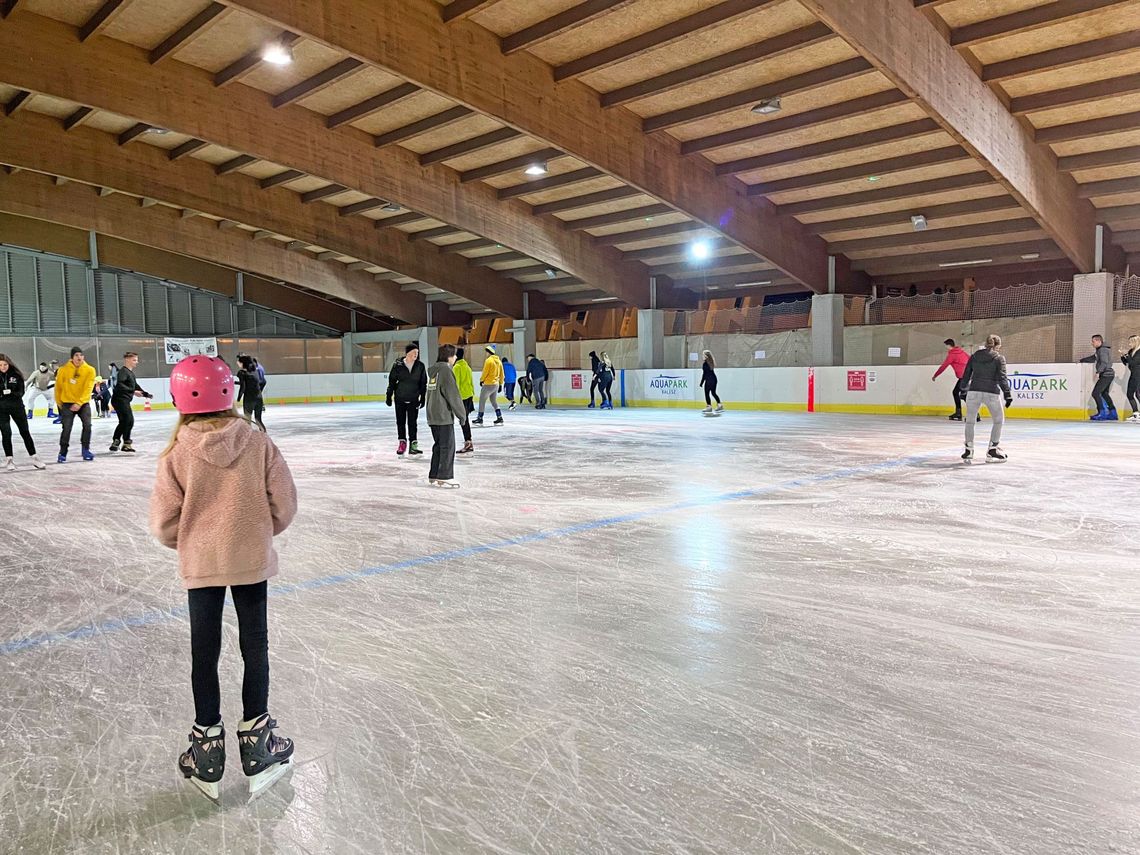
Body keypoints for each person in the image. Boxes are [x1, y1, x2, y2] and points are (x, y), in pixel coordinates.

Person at [150, 355, 297, 802]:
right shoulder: (257, 442)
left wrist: (194, 540)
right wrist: (256, 531)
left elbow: (162, 523)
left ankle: (207, 752)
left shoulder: (177, 454)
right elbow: (285, 503)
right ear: (229, 393)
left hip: (202, 565)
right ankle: (257, 744)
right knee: (256, 647)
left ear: (180, 398)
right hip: (250, 560)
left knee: (204, 651)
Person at [959, 334, 1011, 463]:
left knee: (970, 421)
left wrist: (963, 389)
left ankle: (969, 450)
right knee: (998, 420)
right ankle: (992, 449)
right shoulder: (999, 358)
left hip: (974, 391)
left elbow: (966, 374)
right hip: (991, 392)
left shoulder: (974, 356)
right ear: (998, 345)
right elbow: (1002, 378)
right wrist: (1007, 394)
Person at [426, 344, 466, 488]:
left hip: (432, 414)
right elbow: (453, 395)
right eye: (454, 355)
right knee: (448, 446)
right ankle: (445, 476)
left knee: (438, 445)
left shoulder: (434, 371)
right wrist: (462, 414)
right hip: (443, 415)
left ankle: (434, 474)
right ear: (449, 356)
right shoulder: (446, 370)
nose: (455, 358)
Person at [0, 354, 45, 471]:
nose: (3, 367)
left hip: (17, 407)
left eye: (5, 364)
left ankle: (35, 458)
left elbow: (21, 392)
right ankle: (9, 460)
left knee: (25, 432)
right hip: (1, 409)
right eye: (0, 365)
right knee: (6, 433)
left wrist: (11, 393)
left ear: (9, 364)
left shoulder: (16, 375)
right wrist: (2, 393)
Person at [55, 346, 96, 463]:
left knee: (87, 426)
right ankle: (62, 452)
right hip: (67, 403)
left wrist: (79, 403)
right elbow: (58, 388)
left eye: (81, 355)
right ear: (72, 358)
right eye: (76, 355)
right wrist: (60, 404)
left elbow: (88, 388)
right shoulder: (63, 370)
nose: (79, 357)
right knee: (66, 428)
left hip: (83, 403)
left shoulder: (90, 370)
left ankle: (85, 450)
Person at [386, 343, 427, 455]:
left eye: (417, 352)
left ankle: (413, 445)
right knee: (400, 422)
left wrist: (423, 397)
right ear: (408, 353)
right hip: (400, 399)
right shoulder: (398, 364)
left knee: (412, 423)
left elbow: (423, 383)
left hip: (414, 399)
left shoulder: (420, 366)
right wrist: (388, 395)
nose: (416, 354)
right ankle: (402, 443)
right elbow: (392, 381)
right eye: (414, 352)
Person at [109, 351, 153, 453]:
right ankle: (125, 443)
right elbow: (119, 385)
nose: (136, 362)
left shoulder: (130, 373)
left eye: (136, 360)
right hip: (119, 399)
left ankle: (117, 441)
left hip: (122, 400)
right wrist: (133, 392)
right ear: (127, 360)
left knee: (125, 421)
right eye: (134, 360)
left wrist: (146, 394)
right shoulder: (123, 372)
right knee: (129, 420)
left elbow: (135, 386)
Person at [1080, 334, 1117, 420]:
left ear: (1098, 341)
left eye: (1093, 341)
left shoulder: (1103, 350)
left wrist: (1098, 372)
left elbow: (1104, 362)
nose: (1092, 343)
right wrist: (1082, 360)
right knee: (1104, 394)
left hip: (1106, 374)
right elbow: (1094, 358)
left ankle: (1102, 413)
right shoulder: (1099, 350)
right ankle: (1113, 413)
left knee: (1095, 393)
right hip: (1108, 374)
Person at [933, 338, 971, 420]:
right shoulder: (962, 352)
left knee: (963, 395)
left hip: (963, 377)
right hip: (967, 376)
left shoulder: (952, 355)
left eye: (946, 346)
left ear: (948, 345)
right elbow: (970, 359)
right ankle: (959, 413)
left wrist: (935, 375)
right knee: (957, 392)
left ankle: (972, 414)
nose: (946, 348)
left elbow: (944, 366)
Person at [474, 344, 504, 426]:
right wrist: (500, 383)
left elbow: (485, 372)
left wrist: (481, 380)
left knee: (482, 401)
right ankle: (499, 417)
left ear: (488, 352)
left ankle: (480, 418)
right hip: (496, 384)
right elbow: (502, 374)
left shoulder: (488, 361)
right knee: (493, 401)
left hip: (488, 384)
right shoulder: (499, 361)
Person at [453, 347, 475, 455]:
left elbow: (455, 384)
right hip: (468, 396)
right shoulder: (467, 367)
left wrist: (453, 398)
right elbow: (471, 381)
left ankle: (468, 443)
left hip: (461, 397)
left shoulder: (457, 367)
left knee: (463, 421)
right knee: (465, 420)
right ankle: (468, 442)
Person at [236, 355, 266, 431]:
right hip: (259, 397)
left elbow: (243, 387)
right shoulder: (255, 371)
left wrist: (238, 399)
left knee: (247, 420)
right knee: (258, 420)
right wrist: (236, 382)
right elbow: (252, 383)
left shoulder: (241, 373)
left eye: (239, 361)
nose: (237, 363)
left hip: (249, 398)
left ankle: (249, 439)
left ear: (243, 363)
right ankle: (265, 436)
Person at [1120, 335, 1140, 421]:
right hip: (1134, 374)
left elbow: (1133, 362)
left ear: (1135, 342)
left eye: (1130, 342)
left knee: (1133, 394)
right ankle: (1136, 413)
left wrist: (1126, 355)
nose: (1129, 344)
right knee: (1134, 394)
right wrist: (1122, 356)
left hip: (1138, 374)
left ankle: (1136, 413)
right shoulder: (1131, 351)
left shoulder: (1139, 351)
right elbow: (1127, 363)